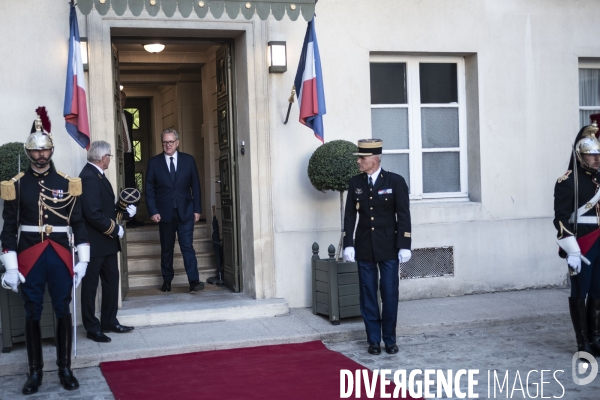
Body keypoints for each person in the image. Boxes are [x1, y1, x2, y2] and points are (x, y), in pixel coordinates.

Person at [0, 111, 89, 394]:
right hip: (29, 254)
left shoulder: (67, 182)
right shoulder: (15, 185)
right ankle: (34, 372)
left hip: (61, 253)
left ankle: (64, 368)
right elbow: (8, 227)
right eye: (36, 149)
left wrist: (83, 259)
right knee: (32, 312)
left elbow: (78, 222)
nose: (41, 154)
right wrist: (11, 266)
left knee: (62, 309)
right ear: (28, 152)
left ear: (52, 150)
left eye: (45, 148)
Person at [342, 139, 412, 355]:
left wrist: (404, 244)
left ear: (375, 159)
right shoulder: (356, 183)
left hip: (389, 247)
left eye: (362, 158)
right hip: (364, 247)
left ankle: (389, 339)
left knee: (389, 293)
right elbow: (350, 216)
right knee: (368, 294)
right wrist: (348, 244)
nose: (359, 162)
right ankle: (373, 340)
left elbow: (403, 214)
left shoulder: (395, 181)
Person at [79, 141, 136, 343]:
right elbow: (92, 214)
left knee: (112, 283)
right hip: (94, 244)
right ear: (103, 158)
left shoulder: (98, 176)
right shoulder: (88, 177)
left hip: (106, 244)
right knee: (90, 287)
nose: (110, 159)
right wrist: (115, 229)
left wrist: (124, 212)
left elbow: (105, 209)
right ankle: (92, 328)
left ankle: (109, 321)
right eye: (110, 156)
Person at [554, 121, 600, 358]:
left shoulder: (599, 179)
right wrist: (571, 250)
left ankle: (596, 337)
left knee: (597, 290)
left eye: (598, 154)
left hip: (599, 243)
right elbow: (561, 220)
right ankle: (582, 342)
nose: (596, 158)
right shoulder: (567, 181)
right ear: (580, 156)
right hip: (581, 245)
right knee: (579, 291)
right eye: (591, 155)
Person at [145, 128, 204, 293]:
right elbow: (149, 190)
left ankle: (194, 281)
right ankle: (167, 281)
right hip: (164, 213)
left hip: (186, 211)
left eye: (170, 142)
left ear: (177, 143)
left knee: (187, 247)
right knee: (166, 248)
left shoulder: (188, 160)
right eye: (164, 142)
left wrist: (197, 209)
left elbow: (196, 187)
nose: (167, 145)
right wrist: (153, 211)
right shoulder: (154, 163)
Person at [120, 91, 143, 227]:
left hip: (128, 155)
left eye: (124, 100)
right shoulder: (112, 116)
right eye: (120, 99)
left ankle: (132, 217)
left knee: (130, 186)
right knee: (120, 186)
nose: (122, 102)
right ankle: (121, 215)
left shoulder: (128, 116)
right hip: (118, 155)